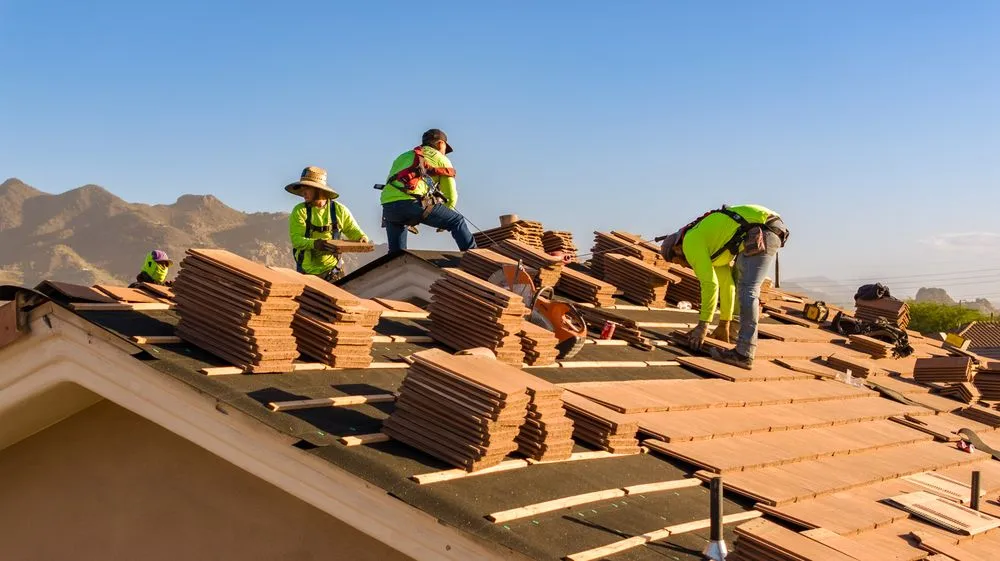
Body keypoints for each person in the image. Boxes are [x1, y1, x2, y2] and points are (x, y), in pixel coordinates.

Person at [659, 205, 789, 369]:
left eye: (678, 262)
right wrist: (723, 324)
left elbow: (710, 284)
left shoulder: (690, 242)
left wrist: (703, 326)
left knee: (748, 290)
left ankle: (744, 354)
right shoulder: (714, 249)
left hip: (761, 230)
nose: (684, 266)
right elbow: (727, 286)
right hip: (766, 228)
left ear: (677, 248)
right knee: (741, 285)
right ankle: (736, 340)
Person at [380, 128, 476, 253]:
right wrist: (447, 215)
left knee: (396, 255)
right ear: (441, 144)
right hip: (412, 203)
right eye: (445, 149)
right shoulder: (441, 159)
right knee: (456, 221)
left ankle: (394, 267)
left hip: (388, 206)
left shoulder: (403, 156)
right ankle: (474, 256)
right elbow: (451, 196)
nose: (445, 153)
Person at [286, 166, 369, 282]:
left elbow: (352, 230)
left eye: (307, 188)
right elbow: (297, 240)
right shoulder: (299, 211)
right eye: (302, 188)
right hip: (306, 272)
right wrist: (315, 244)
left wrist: (362, 237)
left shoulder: (340, 210)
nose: (303, 192)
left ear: (319, 189)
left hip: (333, 271)